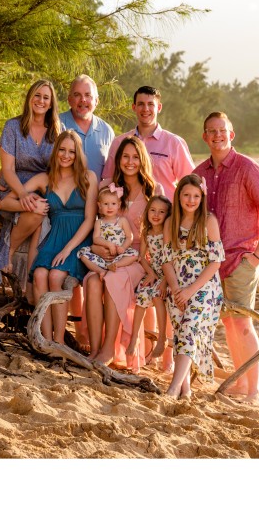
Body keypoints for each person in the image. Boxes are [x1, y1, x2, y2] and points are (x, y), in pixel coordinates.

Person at [193, 111, 259, 405]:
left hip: (242, 259)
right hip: (212, 262)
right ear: (204, 137)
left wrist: (257, 257)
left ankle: (254, 390)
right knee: (230, 324)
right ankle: (242, 381)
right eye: (211, 131)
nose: (217, 135)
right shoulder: (200, 173)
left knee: (243, 324)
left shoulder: (247, 168)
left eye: (222, 130)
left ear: (232, 134)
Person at [85, 136, 164, 371]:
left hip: (139, 258)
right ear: (118, 160)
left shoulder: (153, 190)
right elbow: (94, 226)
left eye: (135, 157)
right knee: (91, 280)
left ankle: (110, 348)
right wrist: (99, 249)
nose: (130, 162)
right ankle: (95, 348)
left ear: (143, 161)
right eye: (126, 157)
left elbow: (159, 233)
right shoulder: (105, 186)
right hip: (106, 254)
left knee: (113, 278)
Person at [0, 80, 61, 293]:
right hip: (14, 184)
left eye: (46, 97)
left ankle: (9, 256)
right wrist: (22, 193)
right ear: (29, 98)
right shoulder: (13, 126)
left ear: (52, 103)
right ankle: (8, 254)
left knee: (39, 209)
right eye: (37, 95)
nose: (41, 101)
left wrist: (31, 194)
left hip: (40, 187)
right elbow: (7, 169)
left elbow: (59, 167)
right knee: (34, 210)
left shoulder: (55, 130)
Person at [30, 130, 98, 345]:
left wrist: (68, 249)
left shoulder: (88, 178)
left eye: (72, 151)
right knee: (40, 275)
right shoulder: (44, 179)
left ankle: (58, 341)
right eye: (62, 150)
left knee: (55, 277)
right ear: (55, 151)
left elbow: (89, 219)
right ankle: (44, 340)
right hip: (53, 239)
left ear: (78, 154)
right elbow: (16, 194)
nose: (66, 155)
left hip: (77, 241)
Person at [162, 174, 224, 399]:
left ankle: (173, 387)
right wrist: (177, 288)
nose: (191, 200)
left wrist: (191, 290)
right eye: (186, 195)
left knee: (188, 327)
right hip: (177, 283)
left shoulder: (208, 221)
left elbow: (216, 261)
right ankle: (186, 389)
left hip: (204, 286)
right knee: (179, 330)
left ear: (202, 197)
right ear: (178, 196)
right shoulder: (171, 223)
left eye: (196, 196)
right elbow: (166, 259)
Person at [101, 85, 194, 198]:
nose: (145, 109)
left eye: (150, 104)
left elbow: (191, 183)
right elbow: (108, 181)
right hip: (128, 213)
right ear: (134, 107)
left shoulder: (174, 143)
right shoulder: (119, 143)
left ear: (159, 107)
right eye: (141, 104)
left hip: (165, 212)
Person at [126, 194, 172, 365]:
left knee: (156, 295)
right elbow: (142, 257)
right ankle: (134, 339)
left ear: (168, 215)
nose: (156, 215)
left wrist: (165, 279)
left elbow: (172, 258)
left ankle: (162, 338)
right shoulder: (146, 232)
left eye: (161, 212)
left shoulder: (168, 233)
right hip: (154, 272)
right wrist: (151, 273)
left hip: (168, 274)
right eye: (153, 210)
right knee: (141, 296)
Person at [59, 74, 116, 182]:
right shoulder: (56, 125)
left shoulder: (107, 132)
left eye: (88, 95)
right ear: (69, 100)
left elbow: (111, 174)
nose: (83, 100)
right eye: (77, 95)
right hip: (62, 197)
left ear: (96, 101)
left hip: (96, 197)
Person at [77, 183, 139, 276]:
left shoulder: (122, 221)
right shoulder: (99, 222)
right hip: (102, 257)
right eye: (106, 204)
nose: (110, 207)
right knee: (83, 256)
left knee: (134, 254)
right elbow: (96, 238)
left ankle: (116, 265)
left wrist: (123, 247)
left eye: (113, 204)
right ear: (99, 205)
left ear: (119, 205)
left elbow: (129, 237)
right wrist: (108, 244)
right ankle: (101, 270)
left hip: (119, 255)